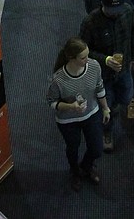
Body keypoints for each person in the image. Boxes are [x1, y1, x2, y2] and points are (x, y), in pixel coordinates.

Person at [79, 0, 134, 153]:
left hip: (125, 67)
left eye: (117, 9)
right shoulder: (90, 22)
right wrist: (105, 60)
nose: (115, 13)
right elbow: (83, 51)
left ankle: (119, 111)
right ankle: (107, 132)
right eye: (111, 10)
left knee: (127, 95)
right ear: (102, 5)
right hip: (102, 74)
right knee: (107, 105)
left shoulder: (127, 12)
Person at [46, 37, 110, 191]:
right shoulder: (58, 80)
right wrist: (71, 106)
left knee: (96, 148)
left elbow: (99, 88)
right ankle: (75, 171)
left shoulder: (94, 67)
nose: (88, 60)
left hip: (91, 114)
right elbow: (52, 103)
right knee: (73, 148)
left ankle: (86, 166)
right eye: (83, 58)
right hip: (68, 121)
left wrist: (106, 108)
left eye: (88, 55)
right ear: (71, 58)